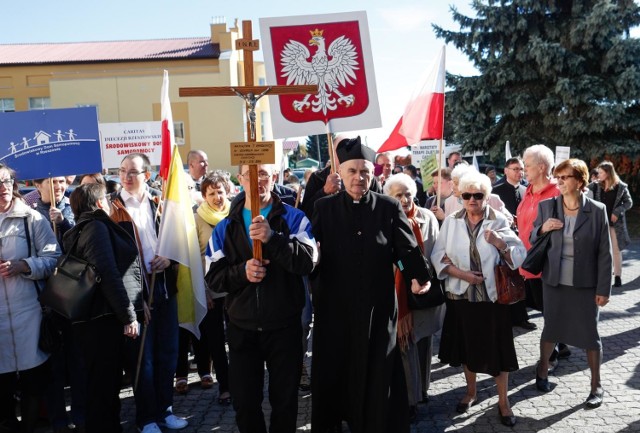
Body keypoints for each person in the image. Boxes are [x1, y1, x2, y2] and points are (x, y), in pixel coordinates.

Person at [310, 137, 433, 433]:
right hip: (334, 310)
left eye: (365, 171)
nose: (358, 178)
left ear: (373, 174)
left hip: (377, 311)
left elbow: (403, 253)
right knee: (336, 371)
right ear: (341, 172)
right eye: (352, 171)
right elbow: (311, 254)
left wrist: (418, 277)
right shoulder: (323, 208)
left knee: (378, 372)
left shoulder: (389, 207)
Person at [205, 163, 317, 433]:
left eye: (264, 173)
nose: (257, 180)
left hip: (284, 326)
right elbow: (213, 275)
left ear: (274, 177)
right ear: (240, 180)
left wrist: (273, 238)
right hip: (242, 329)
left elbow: (308, 261)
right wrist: (242, 272)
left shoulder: (295, 218)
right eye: (250, 174)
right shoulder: (226, 226)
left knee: (285, 401)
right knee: (245, 403)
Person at [431, 171, 526, 427]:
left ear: (486, 196)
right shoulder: (451, 221)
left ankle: (503, 402)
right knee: (467, 350)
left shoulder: (497, 220)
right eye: (467, 195)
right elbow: (438, 256)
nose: (472, 200)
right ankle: (471, 392)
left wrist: (500, 244)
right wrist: (462, 274)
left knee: (499, 352)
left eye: (478, 195)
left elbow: (519, 256)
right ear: (460, 196)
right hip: (462, 297)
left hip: (493, 300)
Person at [109, 153, 187, 433]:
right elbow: (113, 260)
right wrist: (135, 299)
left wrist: (170, 258)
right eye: (123, 171)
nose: (127, 177)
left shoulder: (160, 204)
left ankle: (165, 410)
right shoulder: (113, 208)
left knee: (168, 353)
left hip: (164, 288)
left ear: (147, 175)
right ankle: (146, 417)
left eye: (133, 172)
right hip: (136, 295)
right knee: (144, 359)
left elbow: (180, 241)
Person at [532, 159, 611, 409]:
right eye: (558, 177)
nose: (560, 182)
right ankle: (543, 370)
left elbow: (604, 252)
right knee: (551, 329)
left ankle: (596, 385)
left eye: (565, 177)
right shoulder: (547, 207)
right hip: (554, 281)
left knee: (590, 334)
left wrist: (603, 289)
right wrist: (543, 228)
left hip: (586, 284)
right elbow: (533, 235)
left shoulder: (597, 210)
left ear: (580, 180)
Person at [66, 183, 142, 433]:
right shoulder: (96, 227)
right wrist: (128, 315)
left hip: (90, 319)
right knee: (104, 387)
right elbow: (109, 274)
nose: (111, 203)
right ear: (99, 204)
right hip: (101, 320)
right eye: (107, 199)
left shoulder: (81, 227)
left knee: (101, 385)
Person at [0, 164, 60, 433]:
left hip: (28, 312)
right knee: (2, 387)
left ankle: (30, 428)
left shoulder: (32, 218)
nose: (2, 188)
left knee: (34, 381)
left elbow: (52, 259)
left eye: (6, 182)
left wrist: (24, 265)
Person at [383, 173, 444, 418]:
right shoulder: (385, 218)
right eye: (398, 195)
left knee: (424, 342)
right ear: (389, 197)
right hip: (399, 291)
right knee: (406, 343)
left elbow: (437, 249)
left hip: (426, 290)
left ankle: (423, 389)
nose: (405, 199)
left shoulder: (427, 217)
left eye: (408, 193)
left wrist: (430, 272)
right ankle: (410, 400)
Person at [32, 176, 85, 433]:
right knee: (53, 366)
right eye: (52, 182)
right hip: (45, 300)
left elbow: (81, 245)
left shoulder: (74, 205)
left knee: (78, 361)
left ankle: (81, 415)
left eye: (62, 181)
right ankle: (58, 421)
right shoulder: (30, 213)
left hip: (73, 294)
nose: (58, 186)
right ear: (38, 185)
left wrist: (63, 224)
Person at [175, 174, 231, 405]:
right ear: (203, 195)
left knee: (239, 340)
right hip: (212, 289)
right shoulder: (196, 219)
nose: (217, 197)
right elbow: (195, 259)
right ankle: (225, 388)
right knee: (216, 341)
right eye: (211, 193)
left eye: (220, 192)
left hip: (238, 287)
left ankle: (241, 384)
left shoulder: (235, 214)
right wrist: (204, 291)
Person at [516, 144, 571, 365]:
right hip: (529, 263)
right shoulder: (526, 192)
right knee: (544, 308)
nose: (523, 170)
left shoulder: (559, 192)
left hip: (549, 265)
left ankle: (551, 358)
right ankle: (563, 344)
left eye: (526, 166)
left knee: (550, 311)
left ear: (541, 167)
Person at [492, 157, 535, 330]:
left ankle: (521, 316)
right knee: (506, 277)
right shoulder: (497, 191)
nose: (520, 172)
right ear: (506, 171)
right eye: (515, 169)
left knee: (520, 278)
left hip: (523, 239)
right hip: (504, 240)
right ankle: (507, 317)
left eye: (521, 169)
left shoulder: (526, 190)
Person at [300, 136, 382, 220]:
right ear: (330, 152)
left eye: (349, 149)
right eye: (339, 150)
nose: (344, 155)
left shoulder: (366, 178)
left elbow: (381, 208)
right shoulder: (318, 177)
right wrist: (324, 191)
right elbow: (305, 213)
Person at [589, 161, 633, 287]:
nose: (599, 175)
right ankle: (600, 276)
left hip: (615, 224)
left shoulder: (621, 187)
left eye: (601, 173)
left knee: (616, 250)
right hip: (600, 223)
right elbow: (583, 188)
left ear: (608, 173)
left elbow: (628, 203)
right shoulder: (596, 185)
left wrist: (617, 211)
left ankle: (618, 276)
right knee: (599, 250)